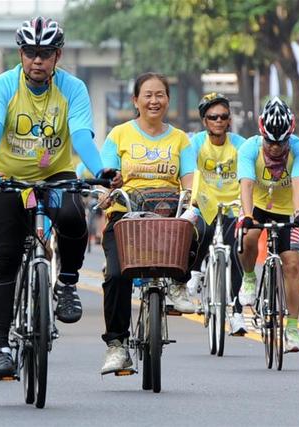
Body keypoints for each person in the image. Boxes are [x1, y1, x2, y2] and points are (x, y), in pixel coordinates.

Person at [0, 17, 116, 379]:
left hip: (56, 175)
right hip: (6, 178)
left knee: (71, 217)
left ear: (57, 56)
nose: (38, 61)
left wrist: (102, 171)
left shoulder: (74, 88)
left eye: (46, 54)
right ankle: (0, 345)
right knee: (4, 260)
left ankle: (66, 283)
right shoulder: (2, 86)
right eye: (32, 53)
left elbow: (81, 134)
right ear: (21, 54)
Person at [99, 72, 196, 374]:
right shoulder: (119, 135)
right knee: (116, 276)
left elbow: (190, 179)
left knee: (201, 224)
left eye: (160, 95)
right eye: (148, 95)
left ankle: (180, 285)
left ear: (168, 100)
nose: (154, 100)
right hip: (126, 216)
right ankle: (117, 345)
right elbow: (105, 176)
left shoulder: (181, 139)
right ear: (135, 101)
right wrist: (104, 195)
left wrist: (190, 202)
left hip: (168, 215)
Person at [236, 96, 299, 353]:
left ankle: (292, 328)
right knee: (247, 237)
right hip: (256, 206)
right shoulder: (248, 148)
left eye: (282, 143)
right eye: (271, 142)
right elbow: (246, 183)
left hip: (288, 210)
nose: (276, 148)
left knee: (291, 264)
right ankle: (248, 278)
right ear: (261, 132)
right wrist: (247, 216)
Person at [187, 92, 247, 335]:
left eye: (223, 116)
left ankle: (237, 312)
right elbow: (188, 172)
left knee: (237, 252)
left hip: (233, 205)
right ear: (204, 121)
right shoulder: (195, 144)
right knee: (202, 230)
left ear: (229, 120)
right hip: (205, 203)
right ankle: (196, 273)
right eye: (213, 117)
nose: (219, 121)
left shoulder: (241, 144)